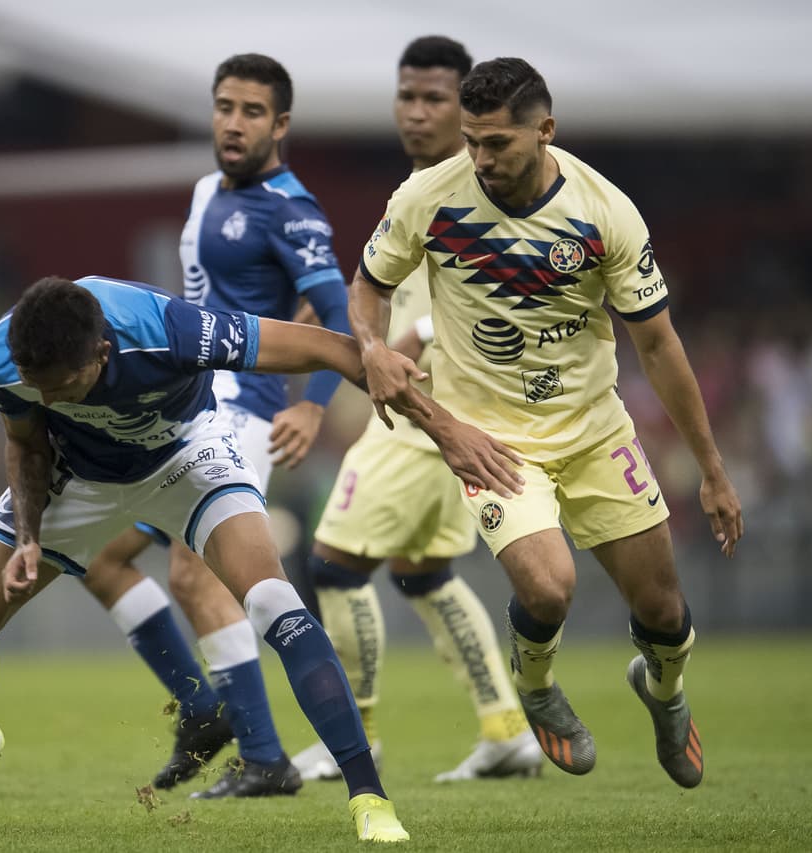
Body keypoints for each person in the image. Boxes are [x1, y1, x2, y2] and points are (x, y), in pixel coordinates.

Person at [0, 274, 424, 842]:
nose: (51, 399)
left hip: (185, 456)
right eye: (40, 388)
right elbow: (28, 442)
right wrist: (30, 539)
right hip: (75, 476)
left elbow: (330, 348)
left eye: (64, 386)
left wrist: (441, 426)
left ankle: (369, 795)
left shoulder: (167, 330)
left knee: (275, 601)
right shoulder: (3, 360)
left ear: (102, 352)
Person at [348, 57, 744, 789]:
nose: (480, 158)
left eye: (497, 143)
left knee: (663, 608)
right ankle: (534, 689)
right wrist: (371, 346)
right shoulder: (429, 196)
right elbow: (368, 286)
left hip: (594, 430)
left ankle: (664, 692)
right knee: (549, 586)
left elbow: (657, 344)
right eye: (471, 141)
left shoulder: (605, 211)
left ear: (545, 130)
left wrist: (713, 471)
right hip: (491, 438)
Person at [74, 52, 352, 798]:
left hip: (245, 414)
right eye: (224, 106)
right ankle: (204, 710)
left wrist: (312, 400)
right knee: (103, 560)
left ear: (281, 125)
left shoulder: (292, 210)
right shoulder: (205, 191)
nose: (234, 122)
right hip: (187, 405)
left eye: (252, 111)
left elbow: (340, 315)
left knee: (195, 571)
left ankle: (264, 756)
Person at [293, 36, 541, 785]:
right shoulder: (420, 187)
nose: (417, 110)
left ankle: (354, 738)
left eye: (435, 97)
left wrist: (421, 333)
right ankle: (504, 730)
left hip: (430, 410)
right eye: (407, 95)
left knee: (333, 564)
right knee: (426, 569)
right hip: (435, 409)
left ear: (466, 106)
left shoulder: (476, 185)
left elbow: (511, 286)